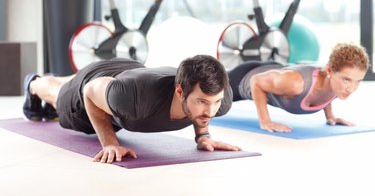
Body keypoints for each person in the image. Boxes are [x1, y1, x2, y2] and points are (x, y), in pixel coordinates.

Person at [23, 55, 241, 163]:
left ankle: (66, 79)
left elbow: (209, 102)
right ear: (180, 92)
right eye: (202, 102)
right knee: (57, 97)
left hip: (126, 74)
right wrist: (110, 143)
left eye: (215, 102)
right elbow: (90, 91)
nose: (211, 111)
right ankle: (33, 83)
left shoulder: (221, 97)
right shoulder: (134, 98)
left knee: (85, 85)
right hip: (97, 87)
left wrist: (203, 136)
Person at [228, 42, 370, 133]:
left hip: (275, 70)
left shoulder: (336, 84)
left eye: (358, 81)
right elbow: (256, 81)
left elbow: (327, 89)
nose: (351, 88)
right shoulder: (296, 84)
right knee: (210, 95)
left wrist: (331, 116)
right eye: (347, 80)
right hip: (242, 79)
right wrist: (265, 121)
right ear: (330, 70)